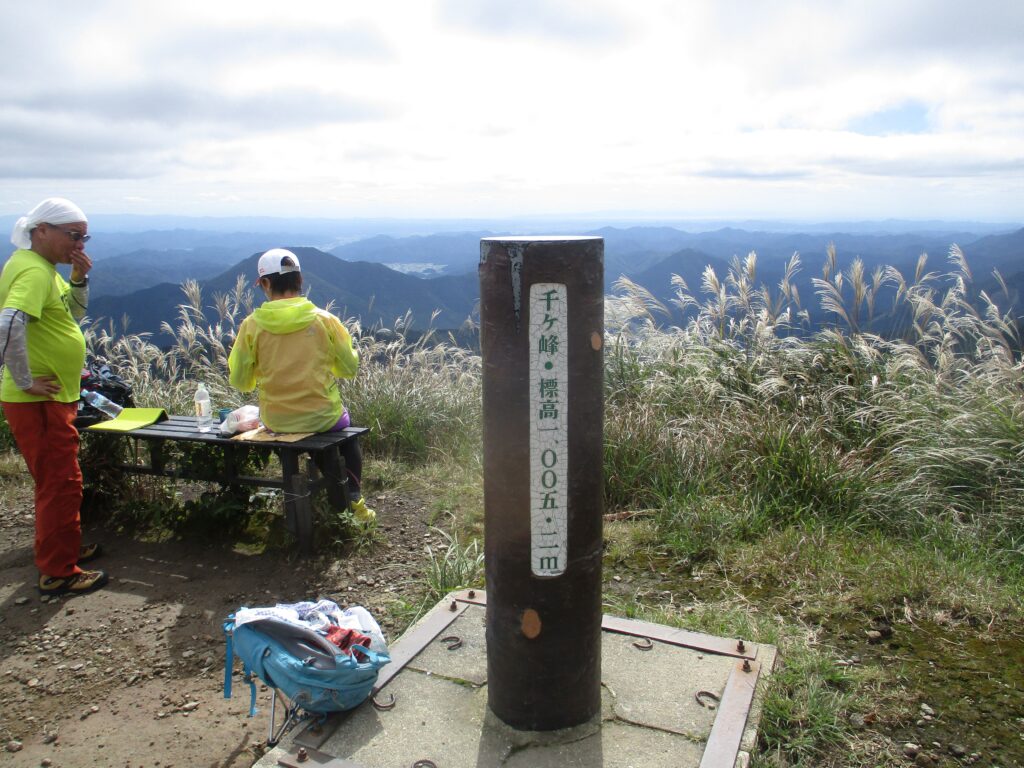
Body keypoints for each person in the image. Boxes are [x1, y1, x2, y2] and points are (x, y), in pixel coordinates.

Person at [0, 198, 107, 595]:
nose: (79, 244)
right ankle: (58, 570)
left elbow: (71, 317)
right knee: (61, 482)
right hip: (37, 401)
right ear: (41, 230)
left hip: (51, 398)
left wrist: (79, 278)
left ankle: (63, 546)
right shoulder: (31, 270)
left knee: (58, 480)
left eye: (84, 237)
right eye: (73, 235)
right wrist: (25, 379)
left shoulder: (44, 270)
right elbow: (9, 320)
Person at [228, 249, 375, 524]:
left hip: (277, 420)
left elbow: (240, 381)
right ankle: (352, 496)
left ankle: (333, 496)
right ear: (300, 280)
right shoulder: (325, 320)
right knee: (346, 431)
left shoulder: (251, 326)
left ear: (266, 284)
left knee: (317, 431)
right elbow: (348, 369)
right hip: (324, 416)